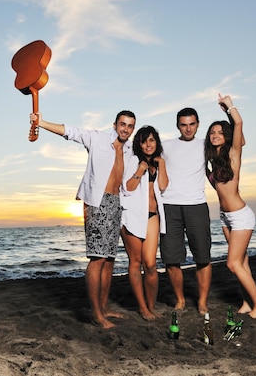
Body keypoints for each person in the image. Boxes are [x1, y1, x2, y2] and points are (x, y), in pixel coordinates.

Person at [30, 110, 136, 329]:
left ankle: (104, 308)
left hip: (117, 204)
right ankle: (96, 314)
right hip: (98, 203)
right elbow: (69, 132)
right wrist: (40, 122)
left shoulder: (128, 149)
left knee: (109, 260)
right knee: (97, 259)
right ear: (115, 124)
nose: (126, 129)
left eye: (130, 126)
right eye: (123, 124)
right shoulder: (97, 138)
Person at [205, 93, 256, 319]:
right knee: (242, 262)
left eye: (220, 133)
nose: (215, 135)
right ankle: (247, 302)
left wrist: (228, 106)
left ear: (227, 136)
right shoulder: (213, 158)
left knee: (232, 264)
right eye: (212, 132)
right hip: (225, 217)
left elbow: (239, 125)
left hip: (240, 216)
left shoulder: (233, 153)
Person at [160, 107, 212, 314]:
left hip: (197, 205)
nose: (188, 129)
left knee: (203, 257)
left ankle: (202, 302)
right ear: (177, 126)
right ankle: (180, 300)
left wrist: (229, 110)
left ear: (198, 124)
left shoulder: (206, 145)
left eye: (192, 124)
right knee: (171, 258)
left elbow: (238, 143)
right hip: (169, 206)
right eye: (184, 125)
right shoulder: (166, 146)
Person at [120, 126, 168, 320]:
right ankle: (142, 308)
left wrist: (162, 165)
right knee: (136, 262)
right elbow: (128, 188)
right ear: (138, 144)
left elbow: (163, 186)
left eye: (151, 140)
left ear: (156, 142)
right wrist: (140, 169)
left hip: (152, 215)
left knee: (150, 264)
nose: (148, 144)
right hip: (132, 215)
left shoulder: (159, 163)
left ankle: (150, 305)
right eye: (144, 141)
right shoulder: (132, 160)